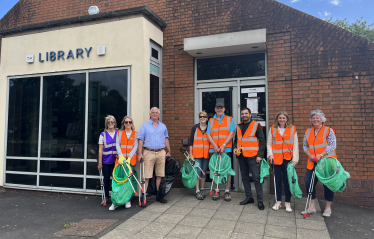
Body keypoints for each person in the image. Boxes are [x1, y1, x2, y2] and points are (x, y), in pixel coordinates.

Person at [302, 109, 337, 217]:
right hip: (312, 162)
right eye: (313, 118)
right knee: (308, 182)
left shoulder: (328, 130)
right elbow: (305, 146)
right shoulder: (308, 131)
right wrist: (310, 156)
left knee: (328, 184)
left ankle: (328, 207)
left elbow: (332, 145)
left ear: (322, 119)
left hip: (327, 162)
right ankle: (312, 207)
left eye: (317, 118)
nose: (315, 119)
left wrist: (321, 155)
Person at [137, 107, 171, 204]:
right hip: (148, 152)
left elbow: (166, 139)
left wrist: (169, 151)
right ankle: (143, 197)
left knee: (160, 175)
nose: (155, 114)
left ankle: (158, 195)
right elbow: (140, 140)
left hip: (161, 152)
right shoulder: (144, 126)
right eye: (153, 112)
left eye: (156, 113)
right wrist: (139, 153)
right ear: (150, 114)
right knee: (147, 176)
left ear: (159, 115)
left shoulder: (163, 126)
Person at [267, 111, 299, 212]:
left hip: (288, 159)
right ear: (277, 119)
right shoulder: (272, 129)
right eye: (280, 118)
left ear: (287, 119)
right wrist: (270, 155)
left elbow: (296, 145)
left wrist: (295, 160)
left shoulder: (293, 129)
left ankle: (288, 203)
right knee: (277, 181)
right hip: (275, 159)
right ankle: (278, 201)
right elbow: (269, 144)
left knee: (287, 181)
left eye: (284, 118)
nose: (282, 119)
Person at [234, 108, 265, 210]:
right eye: (242, 114)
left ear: (250, 114)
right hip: (241, 156)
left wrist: (260, 155)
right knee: (245, 177)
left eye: (246, 113)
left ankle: (260, 200)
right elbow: (236, 140)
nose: (244, 115)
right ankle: (249, 197)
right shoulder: (238, 126)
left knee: (256, 178)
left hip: (253, 156)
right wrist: (235, 148)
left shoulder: (256, 125)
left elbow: (262, 141)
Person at [206, 102, 235, 201]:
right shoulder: (210, 120)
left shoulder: (230, 119)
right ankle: (216, 190)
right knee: (214, 170)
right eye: (217, 108)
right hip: (213, 149)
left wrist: (223, 145)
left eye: (221, 108)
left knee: (227, 170)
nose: (219, 110)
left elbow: (231, 134)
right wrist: (214, 145)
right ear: (215, 109)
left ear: (224, 109)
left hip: (226, 149)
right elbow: (208, 134)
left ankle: (227, 191)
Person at [109, 116, 138, 210]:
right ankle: (116, 200)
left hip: (130, 160)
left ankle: (127, 200)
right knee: (118, 181)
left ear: (132, 123)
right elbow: (117, 144)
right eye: (126, 122)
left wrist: (129, 157)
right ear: (123, 123)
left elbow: (135, 146)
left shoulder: (135, 134)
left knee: (128, 181)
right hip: (120, 161)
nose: (128, 124)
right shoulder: (119, 133)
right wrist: (121, 156)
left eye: (130, 122)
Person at [189, 111, 210, 200]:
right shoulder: (195, 127)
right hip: (196, 154)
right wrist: (190, 153)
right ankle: (197, 190)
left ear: (207, 118)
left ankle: (202, 189)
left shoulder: (209, 128)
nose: (202, 118)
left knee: (204, 172)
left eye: (204, 116)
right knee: (197, 172)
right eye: (201, 116)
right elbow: (191, 141)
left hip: (206, 154)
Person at [97, 115, 118, 205]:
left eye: (112, 121)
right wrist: (100, 162)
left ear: (114, 123)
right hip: (106, 161)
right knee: (106, 179)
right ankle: (106, 197)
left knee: (116, 179)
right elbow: (100, 150)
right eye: (108, 122)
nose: (110, 123)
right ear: (106, 124)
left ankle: (115, 196)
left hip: (116, 161)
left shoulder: (119, 133)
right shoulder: (103, 134)